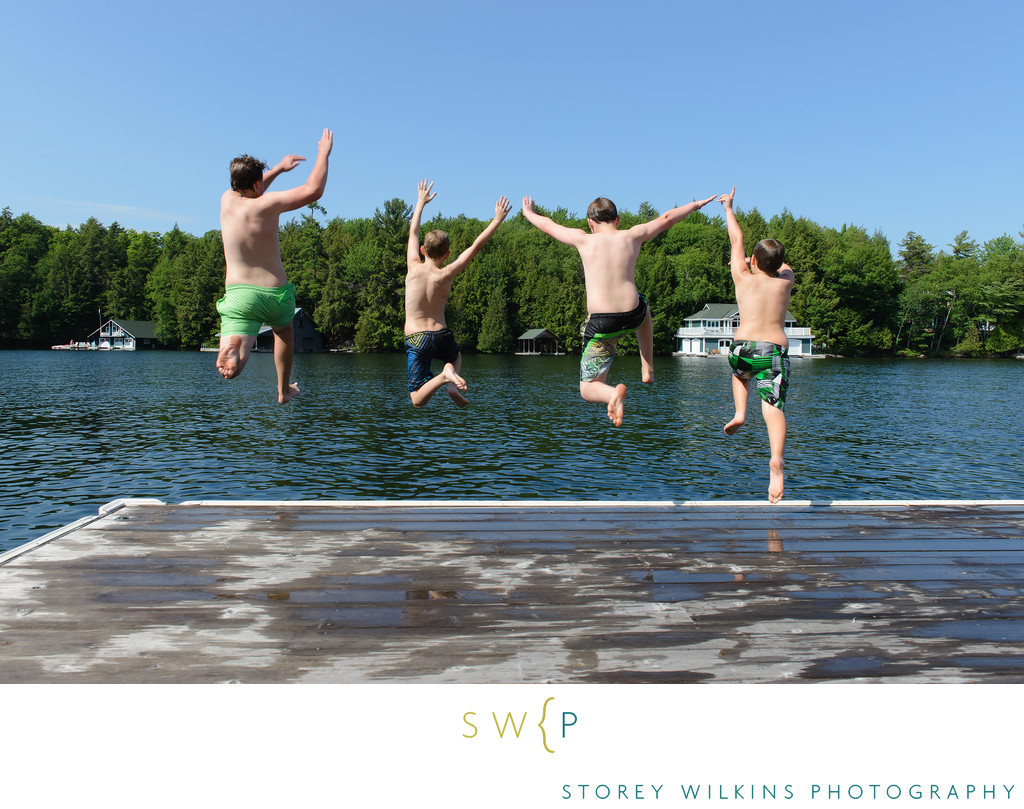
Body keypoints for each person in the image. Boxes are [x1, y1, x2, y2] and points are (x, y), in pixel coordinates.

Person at [522, 193, 715, 426]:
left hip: (602, 324)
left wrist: (529, 213)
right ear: (618, 219)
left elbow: (548, 225)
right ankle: (647, 368)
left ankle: (612, 394)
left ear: (589, 222)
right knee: (644, 306)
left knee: (588, 388)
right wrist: (695, 205)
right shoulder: (633, 235)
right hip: (633, 314)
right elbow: (666, 219)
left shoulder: (583, 239)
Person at [216, 128, 333, 403]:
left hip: (238, 297)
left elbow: (252, 189)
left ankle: (235, 354)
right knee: (284, 332)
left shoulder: (226, 199)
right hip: (274, 294)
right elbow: (313, 190)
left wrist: (278, 168)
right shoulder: (269, 203)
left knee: (238, 341)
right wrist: (323, 153)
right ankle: (283, 389)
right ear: (258, 184)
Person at [718, 186, 795, 503]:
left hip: (742, 351)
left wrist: (729, 208)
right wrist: (770, 264)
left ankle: (739, 413)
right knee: (773, 407)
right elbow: (785, 267)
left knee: (740, 374)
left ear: (751, 259)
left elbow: (735, 239)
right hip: (773, 353)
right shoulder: (785, 281)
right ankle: (775, 460)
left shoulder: (741, 276)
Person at [405, 179, 511, 407]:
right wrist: (496, 220)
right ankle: (452, 383)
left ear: (423, 250)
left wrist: (420, 202)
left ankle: (444, 377)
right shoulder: (447, 274)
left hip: (416, 338)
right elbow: (475, 247)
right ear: (447, 254)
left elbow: (413, 231)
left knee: (416, 399)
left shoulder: (413, 266)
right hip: (441, 335)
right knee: (455, 356)